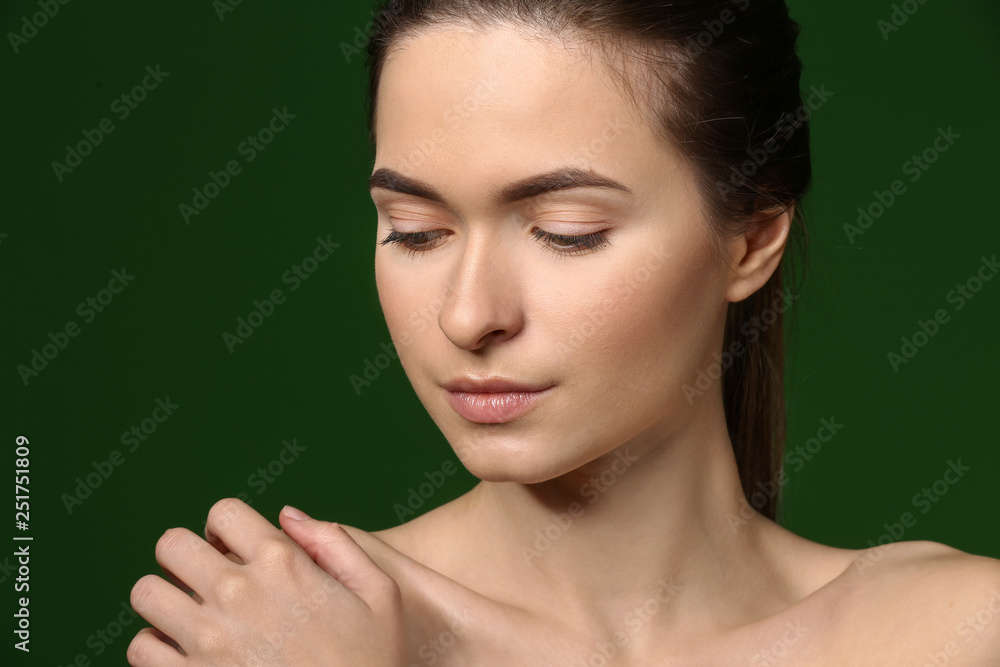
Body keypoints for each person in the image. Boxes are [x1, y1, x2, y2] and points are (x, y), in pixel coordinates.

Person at [127, 1, 1000, 664]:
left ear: (751, 239)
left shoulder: (956, 631)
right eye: (416, 231)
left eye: (566, 230)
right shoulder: (273, 628)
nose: (468, 316)